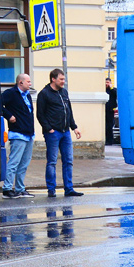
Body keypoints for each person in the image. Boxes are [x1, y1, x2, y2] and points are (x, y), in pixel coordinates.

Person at [37, 68, 83, 198]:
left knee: (68, 161)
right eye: (61, 79)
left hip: (66, 132)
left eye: (64, 79)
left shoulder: (64, 92)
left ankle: (69, 188)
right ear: (53, 79)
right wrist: (49, 129)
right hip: (53, 133)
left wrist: (74, 127)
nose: (64, 81)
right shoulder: (44, 94)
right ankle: (51, 189)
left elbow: (69, 111)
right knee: (52, 162)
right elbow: (40, 114)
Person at [1, 73, 35, 198]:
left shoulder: (27, 95)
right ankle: (7, 188)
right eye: (28, 82)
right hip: (18, 133)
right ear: (20, 82)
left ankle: (20, 188)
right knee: (14, 162)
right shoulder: (11, 93)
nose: (30, 84)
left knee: (24, 163)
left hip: (29, 134)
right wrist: (9, 116)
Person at [105, 77, 118, 144]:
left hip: (110, 110)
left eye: (108, 82)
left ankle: (110, 140)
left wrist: (111, 88)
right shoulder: (104, 90)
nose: (106, 84)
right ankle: (106, 140)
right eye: (105, 82)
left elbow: (116, 94)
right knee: (105, 126)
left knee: (110, 126)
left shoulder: (113, 90)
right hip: (104, 110)